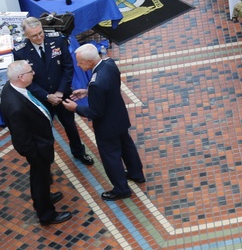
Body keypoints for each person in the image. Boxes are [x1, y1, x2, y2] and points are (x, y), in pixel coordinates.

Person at [63, 44, 146, 201]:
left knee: (111, 156)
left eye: (80, 62)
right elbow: (110, 87)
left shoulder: (96, 83)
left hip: (107, 126)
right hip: (120, 117)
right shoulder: (109, 64)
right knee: (127, 146)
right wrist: (89, 93)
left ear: (89, 62)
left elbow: (95, 112)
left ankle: (121, 189)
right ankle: (136, 174)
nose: (78, 65)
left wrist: (75, 108)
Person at [0, 60, 73, 225]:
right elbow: (21, 137)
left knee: (41, 176)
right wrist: (35, 154)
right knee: (39, 179)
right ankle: (46, 214)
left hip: (40, 144)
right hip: (37, 149)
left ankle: (44, 198)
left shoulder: (11, 88)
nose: (34, 73)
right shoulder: (16, 106)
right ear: (21, 77)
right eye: (30, 71)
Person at [14, 17, 94, 166]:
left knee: (71, 126)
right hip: (40, 99)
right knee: (44, 134)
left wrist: (59, 92)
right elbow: (24, 81)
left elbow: (68, 67)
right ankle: (47, 164)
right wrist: (46, 96)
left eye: (40, 33)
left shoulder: (57, 40)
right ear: (26, 36)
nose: (39, 37)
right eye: (34, 36)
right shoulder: (20, 52)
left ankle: (79, 152)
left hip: (62, 94)